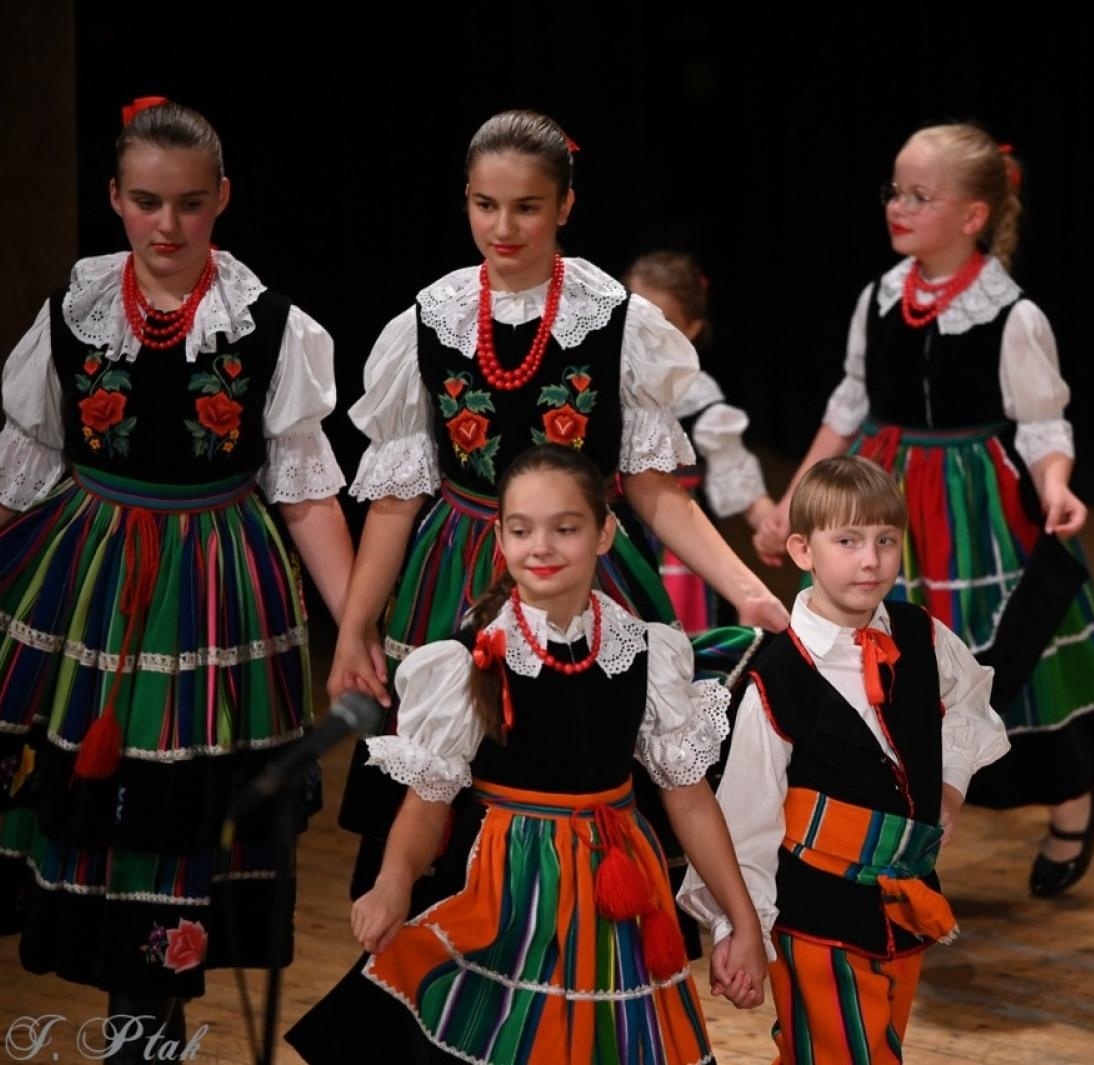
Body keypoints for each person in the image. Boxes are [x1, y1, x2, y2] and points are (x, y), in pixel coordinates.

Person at [0, 97, 352, 1052]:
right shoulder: (76, 312)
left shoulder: (268, 325)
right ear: (116, 198)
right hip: (90, 589)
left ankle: (149, 1023)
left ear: (223, 201)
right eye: (148, 202)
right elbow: (9, 476)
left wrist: (356, 628)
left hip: (214, 595)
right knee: (95, 806)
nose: (169, 226)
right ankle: (133, 1025)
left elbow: (307, 494)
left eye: (192, 204)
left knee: (183, 823)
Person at [330, 110, 788, 917]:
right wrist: (355, 625)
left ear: (565, 205)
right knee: (445, 785)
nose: (503, 227)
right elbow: (398, 497)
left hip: (585, 571)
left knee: (585, 770)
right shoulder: (426, 321)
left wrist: (744, 584)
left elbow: (651, 487)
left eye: (527, 207)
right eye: (484, 204)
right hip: (456, 574)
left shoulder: (619, 321)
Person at [755, 121, 1094, 896]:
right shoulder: (879, 297)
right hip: (885, 494)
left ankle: (1072, 794)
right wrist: (798, 493)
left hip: (975, 507)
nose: (899, 206)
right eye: (894, 190)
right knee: (883, 661)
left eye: (920, 196)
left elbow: (1041, 421)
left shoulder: (1012, 314)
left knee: (1009, 655)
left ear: (972, 216)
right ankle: (892, 825)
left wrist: (1057, 481)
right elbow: (850, 401)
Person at [287, 445, 768, 1065]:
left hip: (614, 889)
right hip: (504, 887)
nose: (541, 546)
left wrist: (742, 920)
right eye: (522, 529)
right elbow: (428, 802)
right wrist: (392, 882)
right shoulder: (470, 657)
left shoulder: (648, 653)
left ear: (605, 535)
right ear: (501, 537)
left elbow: (691, 801)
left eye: (565, 528)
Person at [682, 455, 1009, 1063]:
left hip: (903, 900)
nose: (871, 559)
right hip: (813, 915)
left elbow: (970, 698)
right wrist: (740, 929)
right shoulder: (776, 680)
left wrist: (952, 786)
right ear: (803, 551)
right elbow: (745, 820)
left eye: (886, 540)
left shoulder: (918, 634)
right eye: (848, 540)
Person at [624, 250, 775, 632]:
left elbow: (734, 470)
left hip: (683, 558)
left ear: (691, 329)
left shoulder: (699, 398)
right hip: (619, 540)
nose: (648, 336)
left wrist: (769, 521)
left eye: (666, 323)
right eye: (636, 319)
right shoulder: (606, 386)